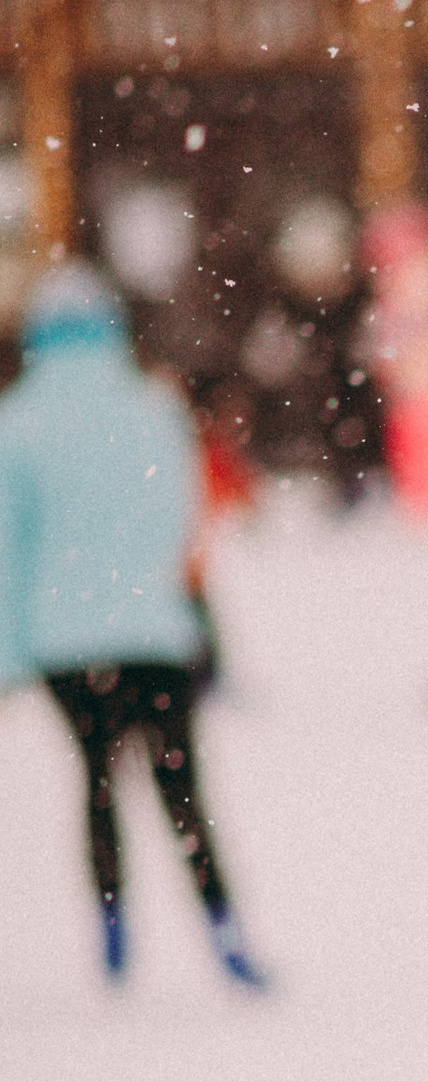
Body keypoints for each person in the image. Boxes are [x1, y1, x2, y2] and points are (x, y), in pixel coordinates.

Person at [0, 260, 263, 987]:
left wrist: (8, 656)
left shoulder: (17, 423)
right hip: (153, 631)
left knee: (98, 784)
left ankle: (113, 931)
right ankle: (224, 927)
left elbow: (7, 550)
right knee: (183, 789)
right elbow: (183, 519)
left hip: (65, 644)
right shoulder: (154, 409)